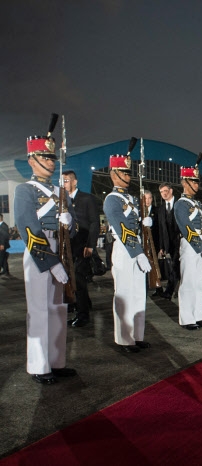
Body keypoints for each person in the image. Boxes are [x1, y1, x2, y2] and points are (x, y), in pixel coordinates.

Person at [15, 122, 77, 384]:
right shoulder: (24, 190)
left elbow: (72, 232)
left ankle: (56, 361)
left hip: (60, 248)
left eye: (52, 157)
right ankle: (39, 366)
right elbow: (28, 228)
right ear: (32, 160)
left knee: (58, 309)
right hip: (39, 251)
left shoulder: (60, 192)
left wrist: (69, 222)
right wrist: (51, 262)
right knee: (40, 310)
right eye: (45, 157)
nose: (51, 163)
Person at [103, 151, 151, 353]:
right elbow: (122, 228)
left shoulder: (131, 198)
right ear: (114, 174)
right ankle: (124, 339)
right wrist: (138, 252)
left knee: (139, 294)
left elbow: (135, 224)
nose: (128, 176)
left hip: (136, 246)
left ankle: (137, 336)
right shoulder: (112, 200)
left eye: (129, 173)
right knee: (124, 294)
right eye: (123, 172)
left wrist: (146, 221)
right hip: (125, 249)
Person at [174, 166, 202, 330]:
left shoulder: (196, 202)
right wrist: (201, 247)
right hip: (190, 244)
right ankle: (186, 318)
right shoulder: (181, 204)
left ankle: (198, 315)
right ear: (185, 182)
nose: (197, 185)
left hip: (200, 240)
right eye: (194, 182)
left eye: (197, 182)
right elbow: (187, 227)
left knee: (198, 282)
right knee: (188, 282)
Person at [62, 170, 100, 328]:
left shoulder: (86, 198)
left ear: (75, 182)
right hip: (67, 247)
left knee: (79, 279)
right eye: (62, 181)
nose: (64, 184)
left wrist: (91, 245)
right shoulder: (62, 201)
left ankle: (83, 315)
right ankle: (80, 306)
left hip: (82, 245)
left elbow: (94, 223)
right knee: (71, 279)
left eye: (66, 180)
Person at [156, 182, 180, 299]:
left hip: (180, 242)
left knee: (175, 266)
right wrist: (161, 246)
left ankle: (169, 291)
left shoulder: (180, 204)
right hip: (168, 243)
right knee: (175, 267)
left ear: (171, 191)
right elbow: (161, 229)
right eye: (161, 192)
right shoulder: (161, 209)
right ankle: (176, 290)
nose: (163, 194)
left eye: (165, 191)